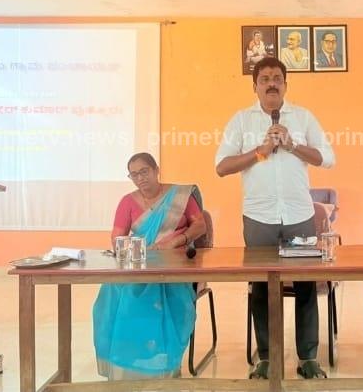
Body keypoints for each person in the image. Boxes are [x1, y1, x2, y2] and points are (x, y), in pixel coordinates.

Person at [215, 57, 335, 380]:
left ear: (285, 84)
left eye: (277, 78)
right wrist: (261, 151)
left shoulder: (303, 117)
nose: (272, 83)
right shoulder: (241, 120)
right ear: (254, 85)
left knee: (306, 286)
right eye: (265, 78)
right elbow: (222, 167)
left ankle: (308, 358)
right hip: (259, 217)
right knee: (261, 287)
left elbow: (327, 158)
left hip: (299, 215)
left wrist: (293, 145)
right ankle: (267, 357)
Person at [92, 152, 208, 380]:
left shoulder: (181, 195)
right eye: (134, 174)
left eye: (144, 172)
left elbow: (200, 226)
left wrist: (176, 241)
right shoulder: (127, 201)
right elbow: (117, 237)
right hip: (141, 264)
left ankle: (162, 365)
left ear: (156, 170)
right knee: (115, 290)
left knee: (156, 291)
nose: (140, 178)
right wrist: (133, 250)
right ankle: (130, 365)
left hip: (175, 266)